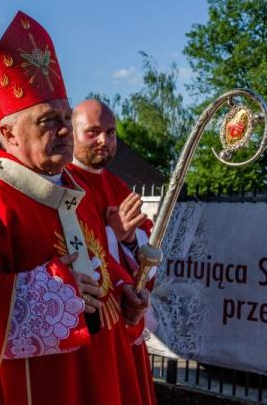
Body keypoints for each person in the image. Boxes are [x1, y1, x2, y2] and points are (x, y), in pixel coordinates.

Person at [0, 11, 151, 404]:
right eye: (47, 120)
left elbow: (95, 262)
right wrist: (52, 291)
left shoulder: (76, 193)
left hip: (97, 376)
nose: (64, 130)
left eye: (65, 117)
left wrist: (124, 292)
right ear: (8, 133)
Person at [67, 98, 157, 404]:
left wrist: (130, 240)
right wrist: (112, 234)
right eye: (93, 131)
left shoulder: (119, 188)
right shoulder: (63, 184)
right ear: (72, 131)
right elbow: (72, 250)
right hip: (87, 332)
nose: (104, 140)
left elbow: (148, 264)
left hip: (123, 325)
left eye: (111, 132)